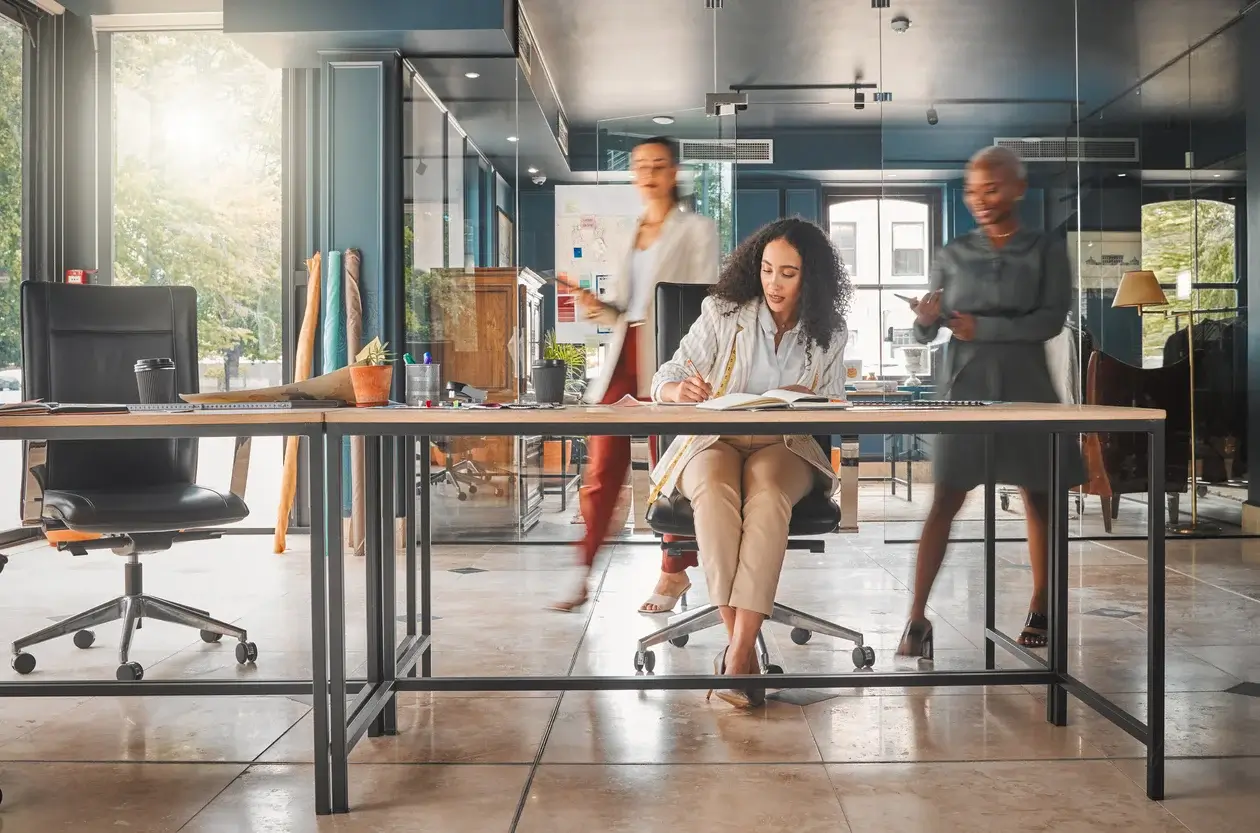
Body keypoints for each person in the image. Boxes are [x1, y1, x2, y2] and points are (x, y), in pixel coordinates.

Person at [651, 218, 852, 708]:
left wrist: (815, 399)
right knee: (717, 493)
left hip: (784, 443)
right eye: (766, 270)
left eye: (788, 273)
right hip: (714, 435)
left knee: (766, 497)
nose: (773, 284)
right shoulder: (722, 313)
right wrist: (679, 390)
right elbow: (669, 373)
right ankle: (741, 652)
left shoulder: (828, 330)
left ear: (811, 277)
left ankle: (736, 656)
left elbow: (838, 402)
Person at [897, 145, 1085, 659]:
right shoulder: (952, 253)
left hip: (1026, 386)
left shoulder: (1047, 249)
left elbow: (1050, 321)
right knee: (943, 504)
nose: (980, 200)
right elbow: (922, 335)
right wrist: (927, 318)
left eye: (992, 188)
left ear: (1018, 188)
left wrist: (986, 327)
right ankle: (916, 617)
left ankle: (1041, 604)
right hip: (965, 387)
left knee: (1039, 497)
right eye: (972, 191)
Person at [551, 136, 719, 613]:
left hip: (669, 356)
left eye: (658, 165)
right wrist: (594, 305)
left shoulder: (696, 229)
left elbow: (702, 302)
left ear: (673, 173)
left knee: (670, 465)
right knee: (603, 465)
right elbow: (625, 309)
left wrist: (687, 373)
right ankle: (582, 569)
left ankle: (672, 574)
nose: (647, 174)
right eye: (640, 166)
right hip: (626, 354)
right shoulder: (630, 232)